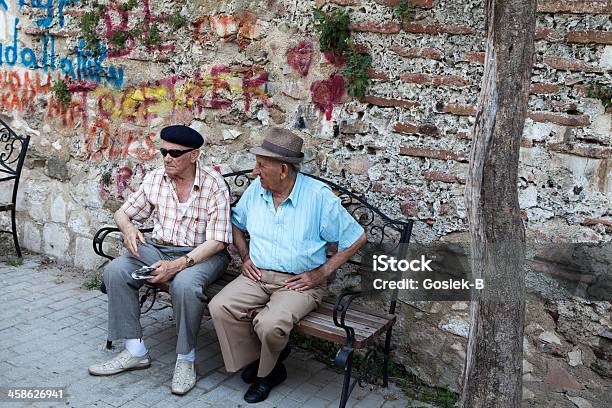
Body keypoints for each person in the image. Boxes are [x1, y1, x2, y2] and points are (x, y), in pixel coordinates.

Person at [208, 127, 367, 403]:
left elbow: (356, 237)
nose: (254, 172)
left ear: (283, 169)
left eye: (261, 166)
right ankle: (263, 361)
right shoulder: (257, 191)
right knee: (220, 307)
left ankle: (266, 375)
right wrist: (245, 257)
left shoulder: (318, 197)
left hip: (298, 283)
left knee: (269, 323)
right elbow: (235, 222)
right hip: (257, 275)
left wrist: (322, 273)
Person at [88, 125, 232, 396]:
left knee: (185, 286)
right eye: (163, 151)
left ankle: (186, 359)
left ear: (194, 155)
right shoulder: (156, 178)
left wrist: (177, 266)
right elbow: (122, 213)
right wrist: (129, 229)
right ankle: (135, 350)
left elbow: (219, 241)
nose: (167, 158)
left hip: (203, 254)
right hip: (160, 249)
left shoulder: (214, 185)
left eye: (175, 153)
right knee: (117, 270)